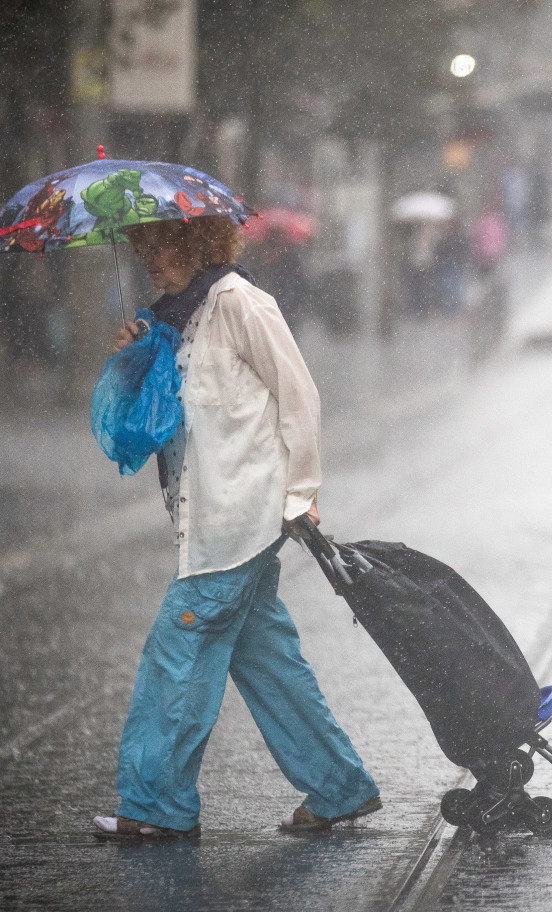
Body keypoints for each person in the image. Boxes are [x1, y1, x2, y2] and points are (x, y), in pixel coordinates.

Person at [92, 215, 381, 840]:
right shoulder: (170, 319)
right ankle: (339, 788)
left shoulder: (240, 301)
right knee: (266, 658)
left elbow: (298, 395)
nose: (149, 255)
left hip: (239, 516)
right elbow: (155, 423)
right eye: (141, 245)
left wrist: (301, 492)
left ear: (198, 241)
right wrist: (132, 360)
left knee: (178, 650)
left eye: (160, 241)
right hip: (210, 516)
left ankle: (155, 807)